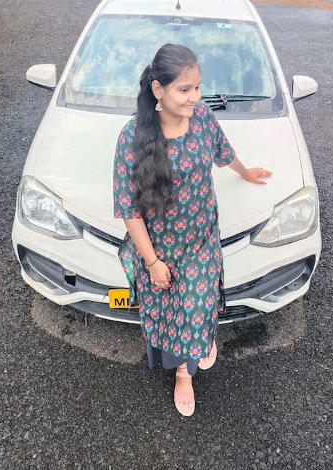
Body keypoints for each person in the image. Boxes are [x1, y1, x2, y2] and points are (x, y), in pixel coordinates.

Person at [112, 43, 273, 416]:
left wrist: (245, 172)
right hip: (160, 248)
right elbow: (129, 210)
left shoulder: (202, 119)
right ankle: (187, 361)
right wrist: (152, 262)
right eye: (185, 89)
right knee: (173, 315)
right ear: (158, 90)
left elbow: (223, 152)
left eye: (198, 87)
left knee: (198, 306)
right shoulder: (132, 137)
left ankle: (191, 362)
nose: (195, 97)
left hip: (201, 239)